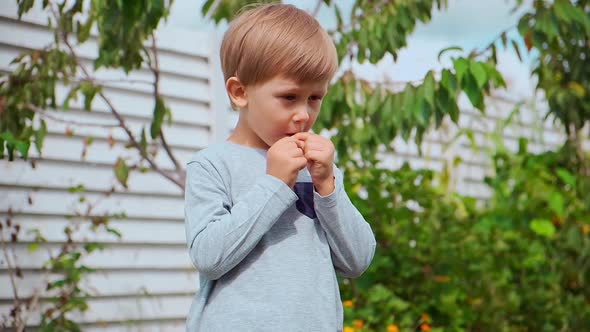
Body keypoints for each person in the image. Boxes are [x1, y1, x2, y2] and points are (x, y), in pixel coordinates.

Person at [184, 3, 376, 331]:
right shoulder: (212, 165)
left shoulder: (318, 171)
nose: (303, 114)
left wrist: (328, 186)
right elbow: (208, 257)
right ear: (240, 92)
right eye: (289, 97)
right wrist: (274, 184)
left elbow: (357, 260)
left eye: (314, 98)